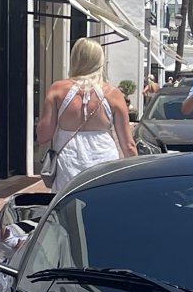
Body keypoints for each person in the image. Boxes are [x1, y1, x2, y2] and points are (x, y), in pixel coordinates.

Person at [34, 37, 135, 191]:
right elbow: (128, 145)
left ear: (75, 59)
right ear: (100, 61)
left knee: (68, 203)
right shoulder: (113, 93)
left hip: (69, 162)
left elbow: (43, 136)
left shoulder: (58, 89)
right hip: (104, 161)